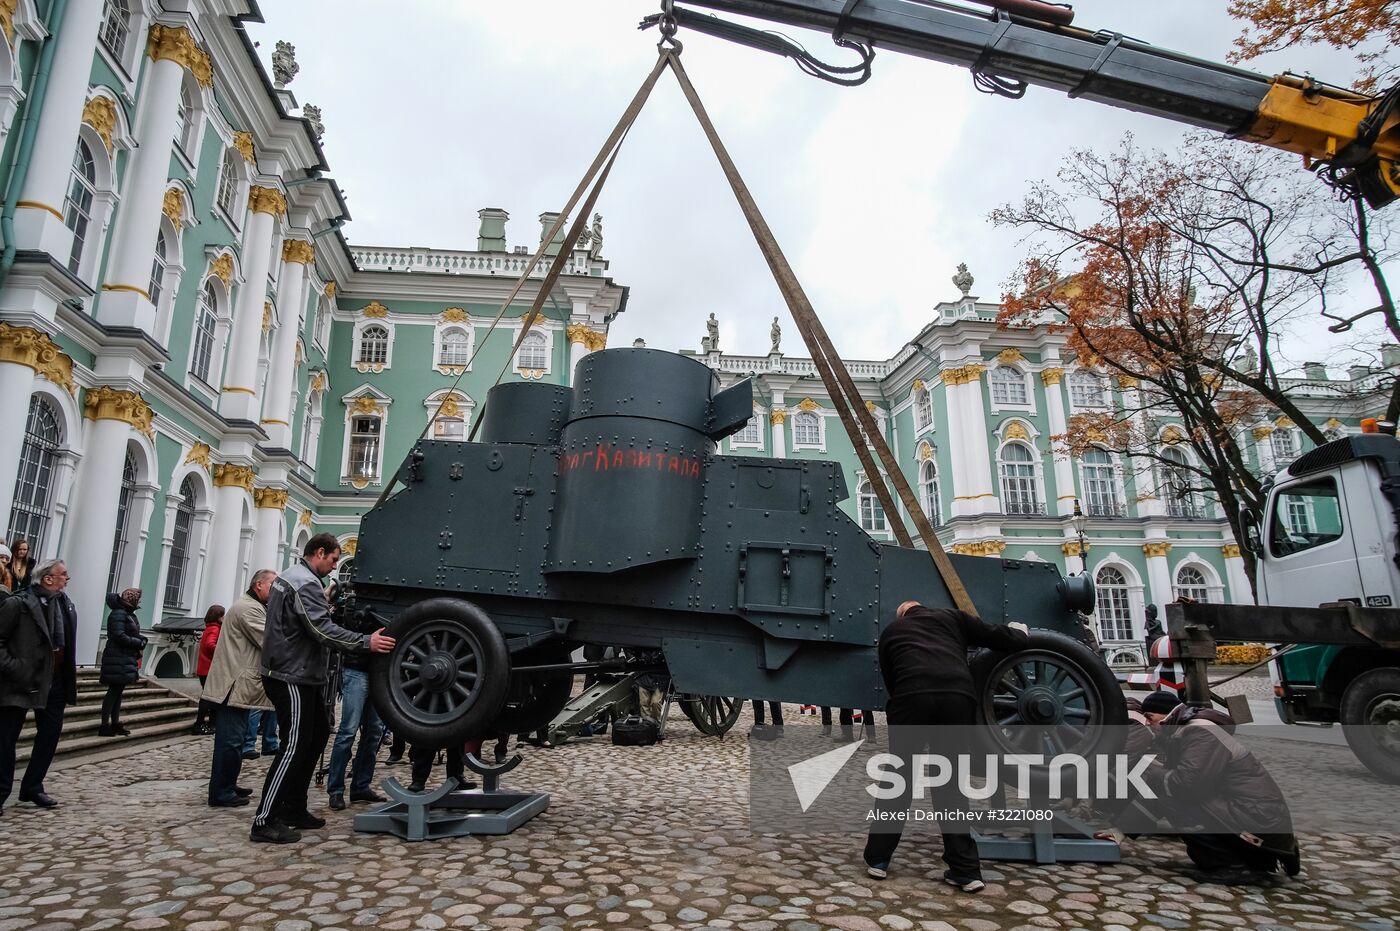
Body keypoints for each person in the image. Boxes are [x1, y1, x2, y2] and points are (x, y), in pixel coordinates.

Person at [864, 600, 1030, 892]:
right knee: (950, 783)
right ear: (923, 608)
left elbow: (891, 678)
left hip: (911, 698)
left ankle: (878, 860)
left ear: (902, 614)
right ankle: (965, 871)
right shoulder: (952, 618)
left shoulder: (893, 631)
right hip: (957, 696)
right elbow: (995, 635)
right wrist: (1019, 632)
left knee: (898, 780)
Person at [251, 534, 394, 844]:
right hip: (291, 675)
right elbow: (320, 630)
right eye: (332, 559)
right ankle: (264, 819)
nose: (333, 567)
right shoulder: (304, 581)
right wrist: (366, 642)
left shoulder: (295, 578)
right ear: (319, 552)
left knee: (316, 736)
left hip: (300, 673)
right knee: (293, 745)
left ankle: (293, 808)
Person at [1141, 692, 1302, 884]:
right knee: (1168, 790)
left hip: (1257, 818)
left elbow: (1187, 787)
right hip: (1255, 815)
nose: (1147, 724)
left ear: (1165, 715)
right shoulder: (1186, 733)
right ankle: (1252, 857)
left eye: (1150, 718)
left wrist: (1152, 772)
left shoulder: (1199, 733)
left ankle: (1230, 866)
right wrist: (1120, 830)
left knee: (1174, 798)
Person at [0, 560, 78, 811]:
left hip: (53, 681)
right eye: (63, 574)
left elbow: (66, 644)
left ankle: (33, 786)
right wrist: (15, 667)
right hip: (20, 681)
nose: (67, 578)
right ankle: (0, 791)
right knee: (6, 739)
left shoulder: (64, 605)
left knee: (49, 736)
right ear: (47, 579)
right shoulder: (18, 604)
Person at [202, 570, 276, 807]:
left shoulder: (252, 607)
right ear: (258, 585)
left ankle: (228, 784)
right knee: (230, 741)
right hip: (232, 685)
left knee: (235, 739)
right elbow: (269, 640)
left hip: (237, 685)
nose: (275, 590)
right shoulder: (248, 609)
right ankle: (221, 792)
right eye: (272, 585)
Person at [325, 638, 388, 811]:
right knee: (348, 731)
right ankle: (336, 789)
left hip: (380, 670)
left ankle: (361, 786)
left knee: (374, 732)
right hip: (357, 668)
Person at [99, 588, 148, 736]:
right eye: (137, 599)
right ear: (131, 600)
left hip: (124, 657)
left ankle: (115, 723)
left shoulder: (127, 614)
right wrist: (138, 643)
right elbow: (119, 636)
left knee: (118, 692)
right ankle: (105, 725)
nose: (139, 602)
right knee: (113, 691)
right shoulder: (119, 614)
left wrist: (141, 639)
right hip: (117, 657)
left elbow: (131, 633)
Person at [191, 605, 225, 734]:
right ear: (218, 616)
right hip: (209, 669)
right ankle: (200, 724)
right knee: (208, 697)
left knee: (211, 697)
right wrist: (223, 651)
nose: (224, 617)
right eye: (222, 615)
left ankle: (210, 723)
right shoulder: (214, 629)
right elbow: (210, 645)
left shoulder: (210, 628)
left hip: (206, 668)